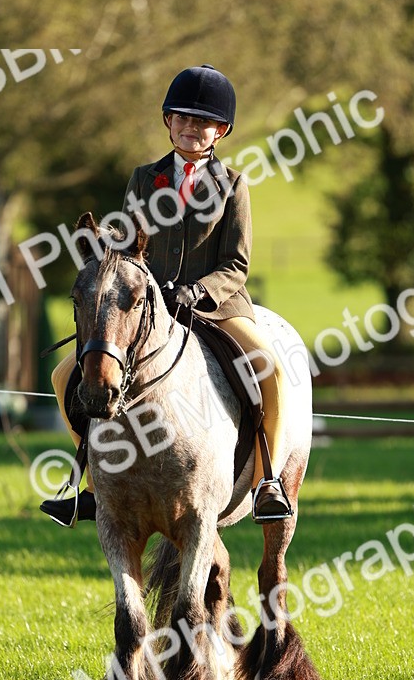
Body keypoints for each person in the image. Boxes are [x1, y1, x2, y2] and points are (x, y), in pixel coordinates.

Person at [41, 63, 291, 527]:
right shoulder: (143, 178)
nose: (191, 127)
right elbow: (128, 250)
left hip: (215, 307)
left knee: (267, 367)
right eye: (183, 117)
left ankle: (267, 481)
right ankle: (91, 485)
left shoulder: (233, 185)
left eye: (203, 121)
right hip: (150, 308)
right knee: (63, 376)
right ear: (168, 121)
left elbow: (236, 263)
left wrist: (197, 291)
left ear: (221, 131)